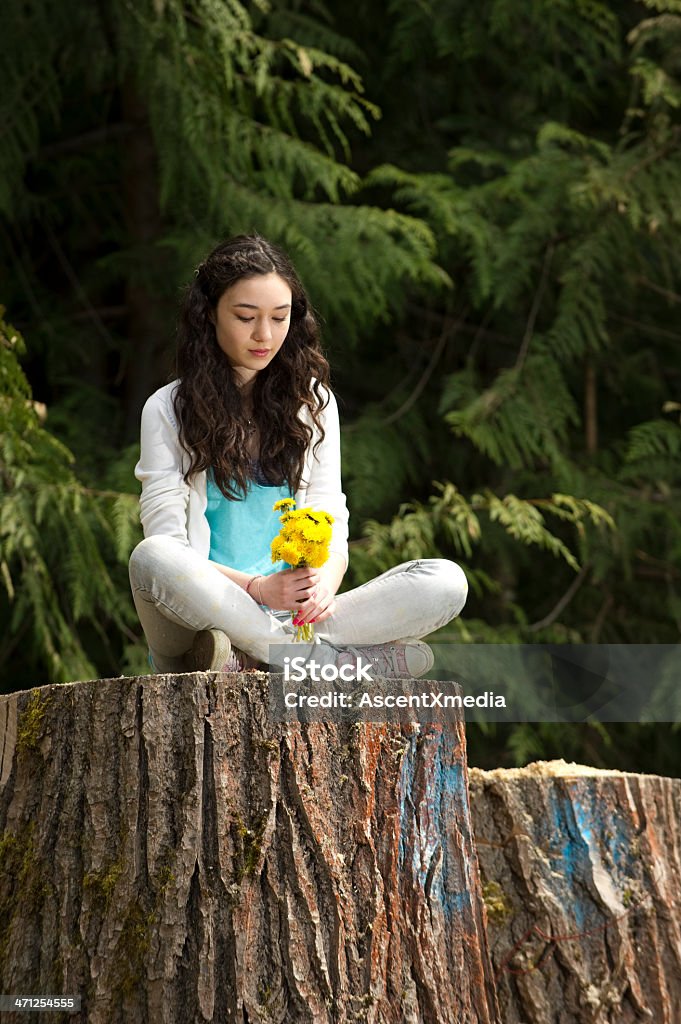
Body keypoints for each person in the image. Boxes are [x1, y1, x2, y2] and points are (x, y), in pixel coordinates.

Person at [128, 234, 468, 678]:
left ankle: (264, 657)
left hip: (300, 619)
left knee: (444, 582)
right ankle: (327, 663)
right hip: (204, 617)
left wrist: (324, 585)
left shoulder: (314, 405)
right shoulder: (166, 410)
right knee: (151, 558)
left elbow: (330, 514)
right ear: (209, 314)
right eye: (246, 317)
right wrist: (258, 588)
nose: (264, 335)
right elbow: (171, 547)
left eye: (279, 317)